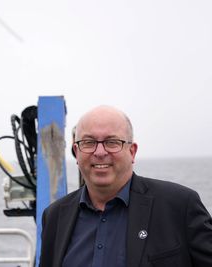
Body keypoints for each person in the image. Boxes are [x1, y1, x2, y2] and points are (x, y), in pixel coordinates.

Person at [39, 105, 212, 267]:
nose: (100, 152)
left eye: (112, 142)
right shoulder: (55, 216)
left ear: (132, 151)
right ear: (77, 152)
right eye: (89, 142)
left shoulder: (179, 206)